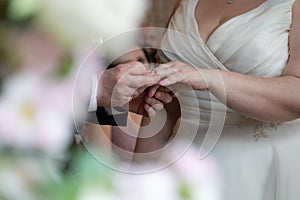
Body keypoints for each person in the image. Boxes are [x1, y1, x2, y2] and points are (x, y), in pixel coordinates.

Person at [134, 0, 300, 199]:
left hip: (257, 167)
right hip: (184, 163)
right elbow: (165, 104)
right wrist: (139, 175)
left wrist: (212, 79)